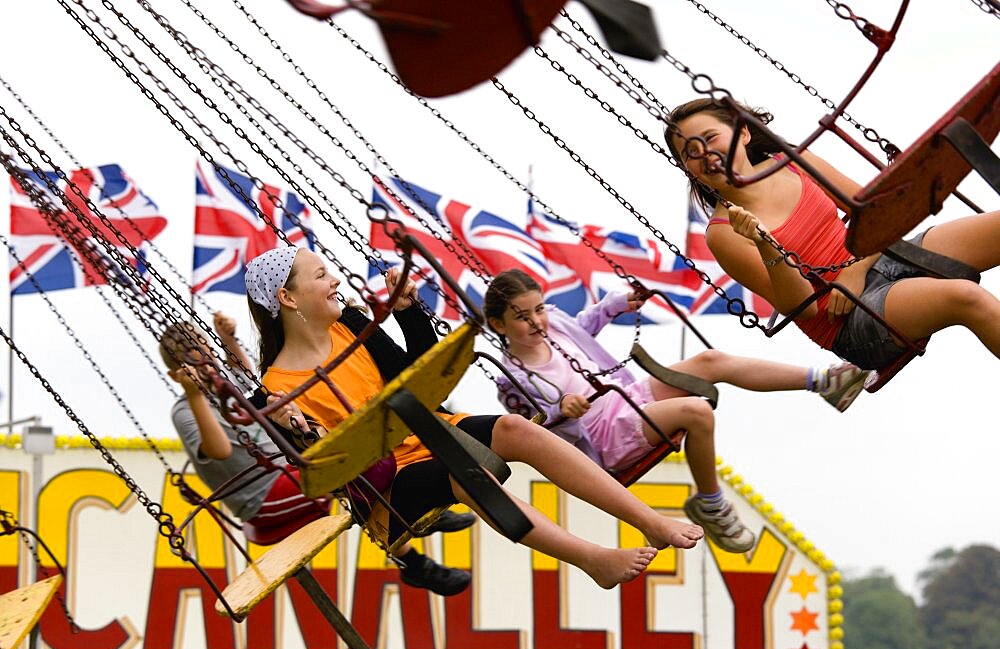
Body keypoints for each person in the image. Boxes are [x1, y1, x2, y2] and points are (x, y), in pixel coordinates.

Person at [244, 246, 710, 589]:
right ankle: (593, 559)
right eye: (322, 275)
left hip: (431, 430)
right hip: (387, 489)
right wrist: (307, 434)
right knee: (465, 475)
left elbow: (419, 384)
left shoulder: (350, 325)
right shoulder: (275, 390)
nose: (336, 282)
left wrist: (408, 314)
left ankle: (647, 519)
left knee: (514, 428)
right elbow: (327, 475)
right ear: (287, 298)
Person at [483, 269, 866, 552]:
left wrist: (614, 305)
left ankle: (826, 383)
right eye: (522, 316)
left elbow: (583, 326)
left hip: (624, 396)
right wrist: (561, 410)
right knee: (696, 412)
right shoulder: (510, 376)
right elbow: (533, 425)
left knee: (710, 361)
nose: (537, 321)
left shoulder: (555, 323)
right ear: (499, 324)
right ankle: (711, 505)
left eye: (538, 309)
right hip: (603, 440)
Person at [663, 98, 1000, 372]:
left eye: (710, 138)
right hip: (848, 320)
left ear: (744, 133)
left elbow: (874, 213)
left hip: (875, 257)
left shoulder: (792, 161)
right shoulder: (724, 234)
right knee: (964, 297)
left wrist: (854, 270)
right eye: (689, 153)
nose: (703, 153)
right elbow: (801, 308)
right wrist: (767, 245)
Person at [160, 312, 476, 596]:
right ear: (178, 370)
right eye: (194, 357)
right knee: (347, 467)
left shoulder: (226, 385)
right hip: (262, 497)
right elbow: (220, 449)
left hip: (287, 475)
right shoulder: (185, 410)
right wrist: (193, 393)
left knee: (351, 458)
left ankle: (414, 552)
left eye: (206, 348)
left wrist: (229, 339)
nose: (207, 360)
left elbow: (247, 381)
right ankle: (412, 534)